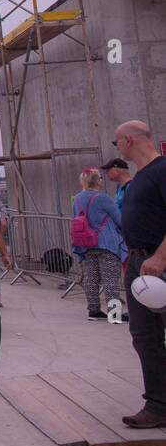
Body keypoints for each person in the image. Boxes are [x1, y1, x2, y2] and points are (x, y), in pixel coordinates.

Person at [113, 121, 166, 428]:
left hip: (156, 264)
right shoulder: (139, 179)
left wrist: (160, 257)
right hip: (139, 264)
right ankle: (159, 403)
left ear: (129, 140)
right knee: (145, 335)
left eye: (117, 142)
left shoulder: (160, 171)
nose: (117, 148)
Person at [71, 168, 126, 322]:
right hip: (106, 243)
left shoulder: (77, 198)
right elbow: (119, 219)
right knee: (110, 280)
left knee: (91, 279)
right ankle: (115, 314)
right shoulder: (103, 198)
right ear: (97, 181)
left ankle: (94, 310)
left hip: (86, 244)